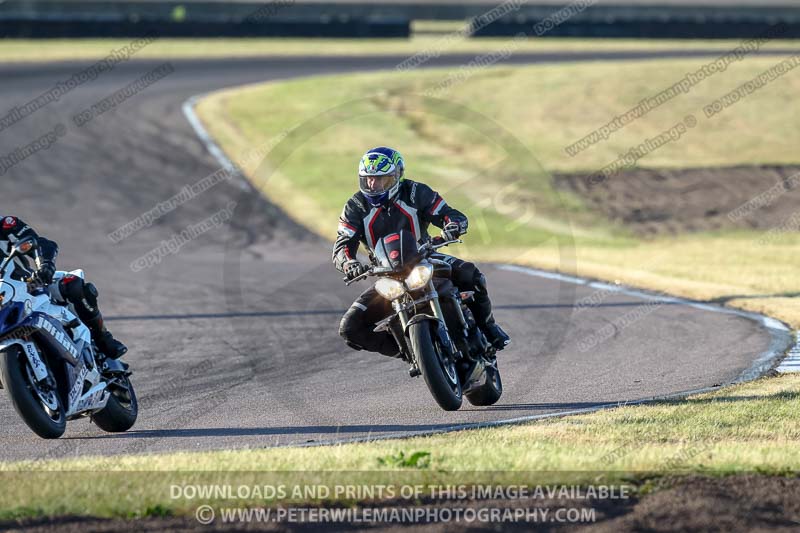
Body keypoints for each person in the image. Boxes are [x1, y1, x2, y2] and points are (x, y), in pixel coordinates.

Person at [333, 146, 510, 358]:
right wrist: (348, 263)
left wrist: (453, 225)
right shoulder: (354, 207)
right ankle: (410, 351)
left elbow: (448, 214)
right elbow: (342, 245)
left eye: (381, 179)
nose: (374, 185)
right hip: (387, 273)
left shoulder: (416, 192)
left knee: (472, 275)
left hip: (425, 257)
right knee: (349, 328)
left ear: (397, 177)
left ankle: (489, 328)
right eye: (368, 179)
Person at [0, 215, 127, 359]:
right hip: (2, 302)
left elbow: (42, 244)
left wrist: (45, 265)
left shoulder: (5, 225)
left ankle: (103, 339)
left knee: (72, 284)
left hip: (27, 286)